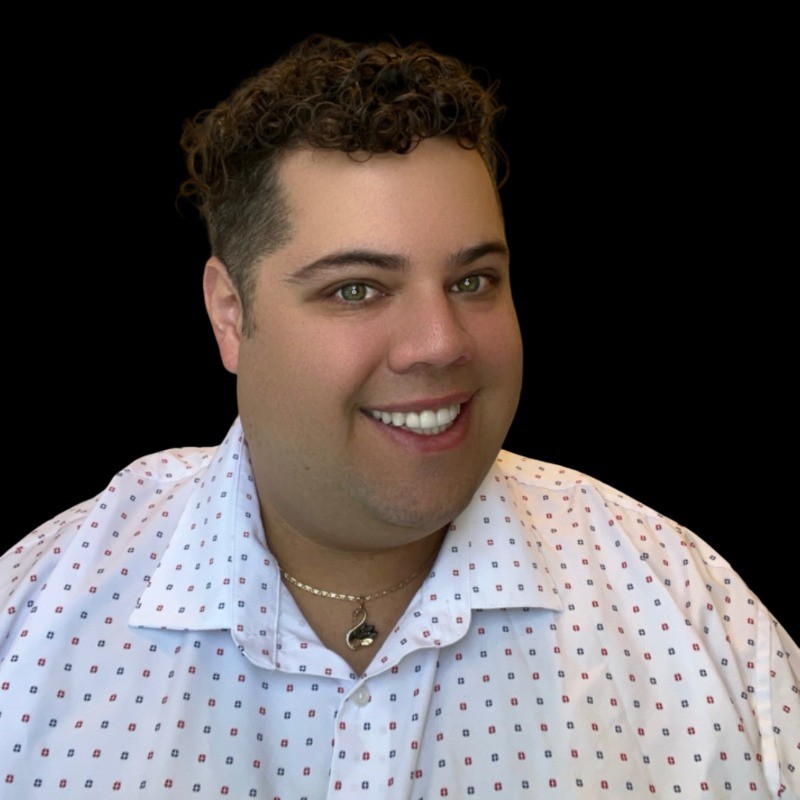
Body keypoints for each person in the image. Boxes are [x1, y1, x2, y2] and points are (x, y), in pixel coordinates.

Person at [1, 34, 797, 799]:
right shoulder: (30, 620)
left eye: (474, 281)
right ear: (230, 315)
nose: (440, 344)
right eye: (357, 289)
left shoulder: (692, 612)